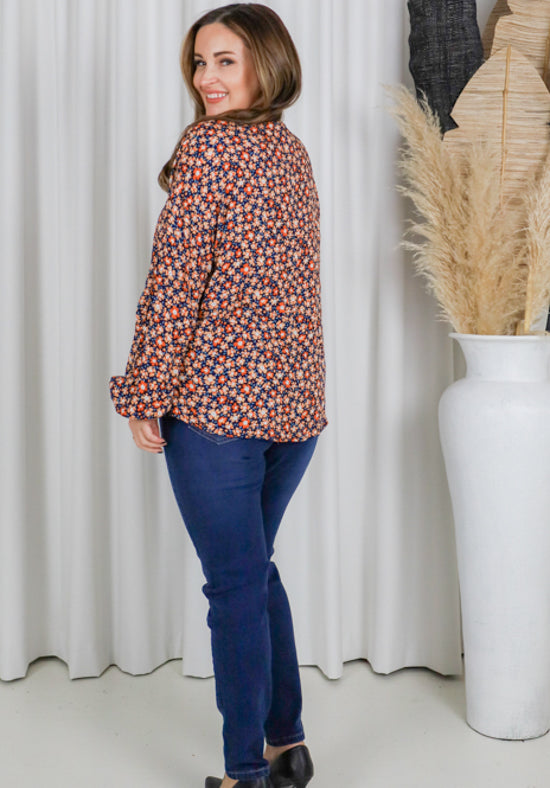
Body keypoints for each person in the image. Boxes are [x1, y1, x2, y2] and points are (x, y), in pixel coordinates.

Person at [109, 4, 326, 787]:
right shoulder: (290, 151)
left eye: (226, 61)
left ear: (266, 62)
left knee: (234, 585)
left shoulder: (207, 149)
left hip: (219, 412)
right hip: (295, 412)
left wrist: (142, 393)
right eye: (200, 63)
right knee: (255, 571)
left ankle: (243, 775)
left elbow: (173, 288)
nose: (206, 78)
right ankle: (285, 745)